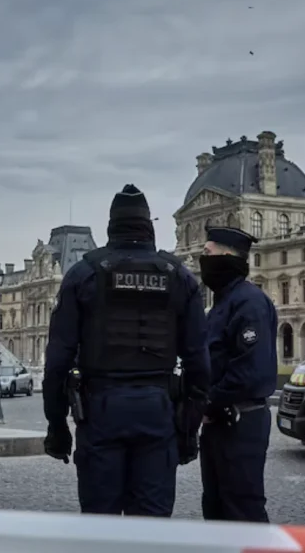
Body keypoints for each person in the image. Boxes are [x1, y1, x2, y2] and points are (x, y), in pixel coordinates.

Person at [42, 184, 209, 516]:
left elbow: (57, 361)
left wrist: (56, 425)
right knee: (150, 527)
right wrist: (188, 430)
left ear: (110, 226)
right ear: (149, 225)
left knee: (100, 524)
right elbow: (199, 366)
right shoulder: (180, 277)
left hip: (101, 410)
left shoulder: (83, 274)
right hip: (158, 409)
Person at [197, 226, 278, 523]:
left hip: (240, 421)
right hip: (221, 421)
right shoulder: (224, 302)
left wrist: (209, 402)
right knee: (216, 505)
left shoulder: (249, 302)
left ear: (228, 256)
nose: (202, 260)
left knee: (242, 508)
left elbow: (249, 370)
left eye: (207, 253)